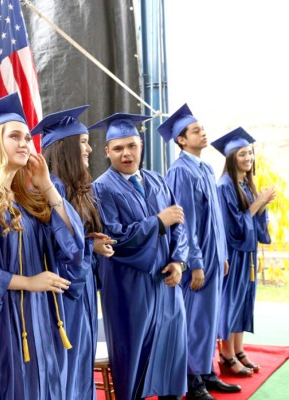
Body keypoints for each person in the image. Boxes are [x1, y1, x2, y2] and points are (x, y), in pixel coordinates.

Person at [0, 92, 85, 400]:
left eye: (27, 137)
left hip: (44, 316)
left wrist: (47, 185)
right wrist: (29, 282)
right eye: (15, 136)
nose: (25, 143)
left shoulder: (27, 199)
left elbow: (73, 245)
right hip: (8, 322)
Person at [91, 113, 188, 400]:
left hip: (165, 283)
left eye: (132, 146)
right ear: (107, 151)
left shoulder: (157, 181)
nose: (126, 154)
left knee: (171, 348)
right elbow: (113, 237)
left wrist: (179, 261)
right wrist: (157, 222)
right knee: (133, 353)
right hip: (128, 286)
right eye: (118, 148)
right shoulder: (102, 188)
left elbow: (180, 224)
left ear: (141, 146)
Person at [158, 104, 240, 400]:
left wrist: (223, 255)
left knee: (209, 318)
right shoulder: (180, 171)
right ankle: (193, 380)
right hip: (197, 260)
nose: (202, 132)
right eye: (195, 130)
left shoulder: (205, 168)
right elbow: (185, 222)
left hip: (214, 257)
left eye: (202, 128)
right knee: (195, 320)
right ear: (181, 139)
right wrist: (195, 263)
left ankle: (206, 371)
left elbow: (215, 218)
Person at [32, 106, 115, 400]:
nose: (90, 148)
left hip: (79, 290)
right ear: (65, 148)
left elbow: (74, 243)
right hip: (65, 294)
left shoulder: (75, 187)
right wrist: (86, 246)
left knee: (81, 365)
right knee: (70, 368)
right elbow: (63, 249)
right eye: (82, 142)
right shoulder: (51, 187)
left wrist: (90, 243)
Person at [211, 127, 275, 374]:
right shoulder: (224, 186)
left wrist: (261, 204)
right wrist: (259, 202)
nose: (248, 158)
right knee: (231, 302)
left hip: (247, 253)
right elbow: (233, 227)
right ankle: (226, 356)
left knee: (244, 301)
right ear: (231, 157)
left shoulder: (245, 184)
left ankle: (239, 350)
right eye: (242, 154)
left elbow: (253, 222)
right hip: (234, 254)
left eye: (250, 153)